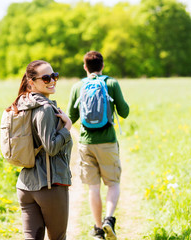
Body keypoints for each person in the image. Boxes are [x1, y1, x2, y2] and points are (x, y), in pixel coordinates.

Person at [67, 51, 129, 240]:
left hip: (86, 143)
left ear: (85, 67)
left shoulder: (78, 86)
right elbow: (124, 112)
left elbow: (71, 117)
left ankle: (97, 231)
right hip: (108, 142)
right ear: (102, 66)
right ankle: (109, 219)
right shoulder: (111, 83)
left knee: (93, 188)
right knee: (113, 184)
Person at [10, 60, 73, 240]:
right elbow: (51, 147)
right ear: (32, 82)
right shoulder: (44, 109)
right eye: (46, 78)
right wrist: (66, 127)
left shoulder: (21, 104)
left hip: (25, 186)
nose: (52, 81)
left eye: (54, 76)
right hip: (49, 185)